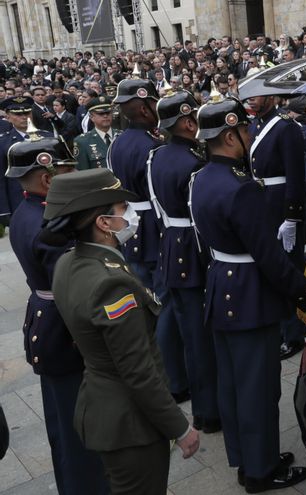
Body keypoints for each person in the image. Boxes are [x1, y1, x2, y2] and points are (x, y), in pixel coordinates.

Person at [189, 94, 306, 492]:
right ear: (231, 136)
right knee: (258, 388)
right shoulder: (241, 188)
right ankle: (261, 470)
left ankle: (248, 458)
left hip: (222, 286)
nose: (249, 136)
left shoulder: (201, 179)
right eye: (245, 131)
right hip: (249, 295)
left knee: (233, 384)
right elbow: (270, 258)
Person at [42, 168, 200, 495]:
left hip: (102, 408)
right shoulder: (111, 284)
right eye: (121, 208)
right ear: (103, 223)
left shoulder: (69, 263)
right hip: (130, 424)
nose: (130, 214)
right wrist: (180, 428)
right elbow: (138, 371)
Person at [6, 131, 109, 494]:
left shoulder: (26, 211)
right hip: (65, 330)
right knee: (81, 426)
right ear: (48, 179)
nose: (73, 174)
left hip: (46, 321)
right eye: (67, 170)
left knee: (63, 424)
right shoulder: (50, 224)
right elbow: (75, 288)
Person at [108, 78, 190, 403]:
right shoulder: (153, 146)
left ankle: (158, 372)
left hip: (131, 230)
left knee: (146, 303)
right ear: (144, 108)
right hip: (155, 228)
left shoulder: (117, 144)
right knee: (166, 305)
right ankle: (174, 379)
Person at [148, 89, 222, 433]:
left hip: (170, 247)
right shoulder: (194, 162)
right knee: (201, 339)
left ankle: (204, 406)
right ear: (188, 122)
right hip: (192, 251)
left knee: (190, 334)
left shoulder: (157, 155)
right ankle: (210, 411)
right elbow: (200, 218)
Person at [246, 92, 306, 359]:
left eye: (256, 95)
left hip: (282, 207)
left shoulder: (286, 127)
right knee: (270, 269)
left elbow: (295, 176)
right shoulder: (254, 125)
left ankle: (294, 333)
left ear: (272, 97)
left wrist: (292, 218)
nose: (251, 99)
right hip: (263, 205)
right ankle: (279, 327)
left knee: (289, 269)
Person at [0, 97, 53, 234]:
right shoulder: (3, 142)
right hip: (19, 199)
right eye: (18, 114)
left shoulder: (48, 137)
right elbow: (1, 178)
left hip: (50, 196)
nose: (24, 117)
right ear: (8, 117)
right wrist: (4, 210)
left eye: (27, 113)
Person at [72, 95, 117, 170]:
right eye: (101, 114)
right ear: (91, 117)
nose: (105, 116)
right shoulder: (82, 142)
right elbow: (83, 172)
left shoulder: (121, 136)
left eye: (108, 113)